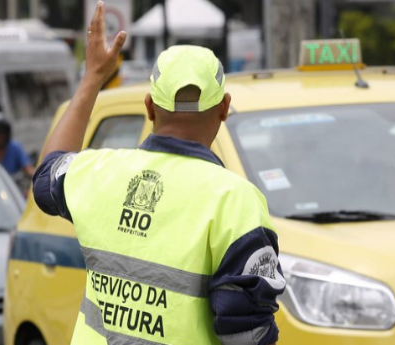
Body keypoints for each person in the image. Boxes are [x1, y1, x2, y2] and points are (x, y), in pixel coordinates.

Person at [32, 2, 285, 344]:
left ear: (149, 107)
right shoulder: (234, 202)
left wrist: (93, 77)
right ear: (224, 108)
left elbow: (46, 175)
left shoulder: (97, 173)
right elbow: (246, 332)